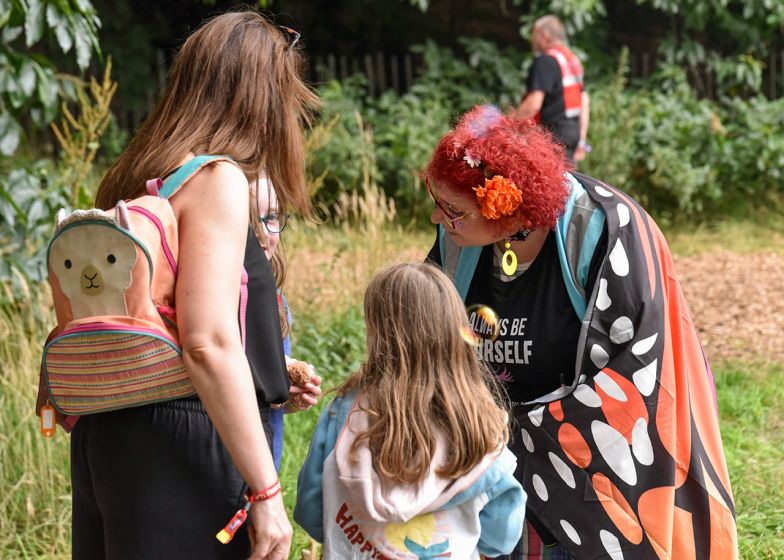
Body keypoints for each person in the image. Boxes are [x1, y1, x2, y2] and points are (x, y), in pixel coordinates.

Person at [40, 11, 319, 560]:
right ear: (263, 96)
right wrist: (265, 491)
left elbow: (159, 319)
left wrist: (268, 373)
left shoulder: (139, 174)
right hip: (182, 443)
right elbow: (206, 342)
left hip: (109, 437)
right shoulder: (218, 179)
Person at [423, 105, 738, 559]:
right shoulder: (460, 239)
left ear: (509, 212)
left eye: (452, 210)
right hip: (494, 461)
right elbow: (426, 336)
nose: (437, 218)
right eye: (436, 199)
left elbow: (638, 379)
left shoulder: (605, 230)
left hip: (592, 462)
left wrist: (512, 427)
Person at [294, 263, 526, 559]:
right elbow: (501, 536)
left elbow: (310, 510)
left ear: (377, 334)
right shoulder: (481, 426)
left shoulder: (345, 413)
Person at [250, 174, 322, 472]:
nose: (265, 234)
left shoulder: (277, 302)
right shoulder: (210, 300)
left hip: (266, 459)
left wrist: (291, 398)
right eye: (250, 221)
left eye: (272, 218)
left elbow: (272, 389)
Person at [517, 15, 590, 164]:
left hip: (551, 138)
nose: (532, 39)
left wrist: (509, 125)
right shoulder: (571, 60)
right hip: (571, 138)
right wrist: (581, 139)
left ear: (544, 36)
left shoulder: (545, 61)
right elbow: (584, 101)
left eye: (534, 34)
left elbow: (533, 103)